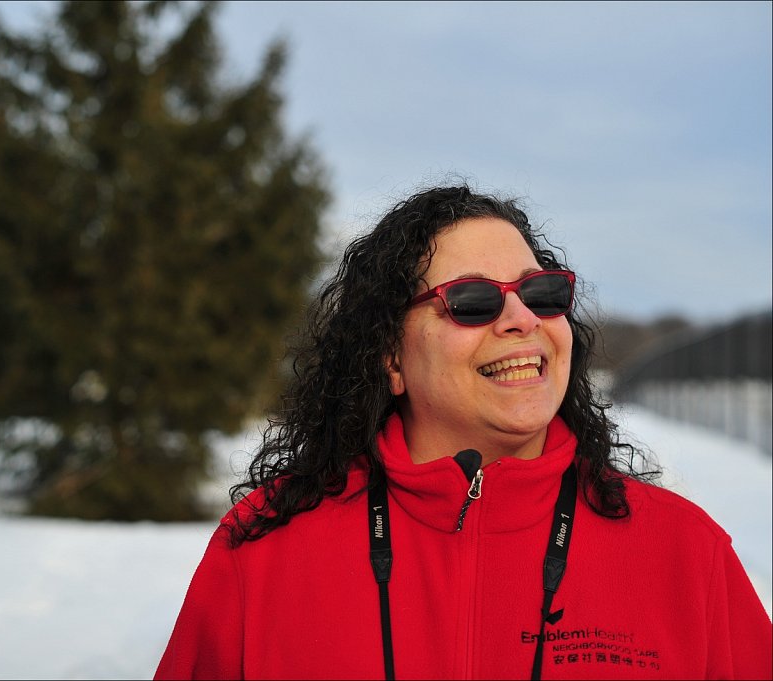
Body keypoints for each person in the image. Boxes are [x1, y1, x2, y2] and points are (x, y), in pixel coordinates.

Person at [154, 185, 773, 680]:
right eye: (472, 301)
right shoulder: (263, 551)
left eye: (542, 293)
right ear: (389, 356)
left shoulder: (685, 554)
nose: (522, 319)